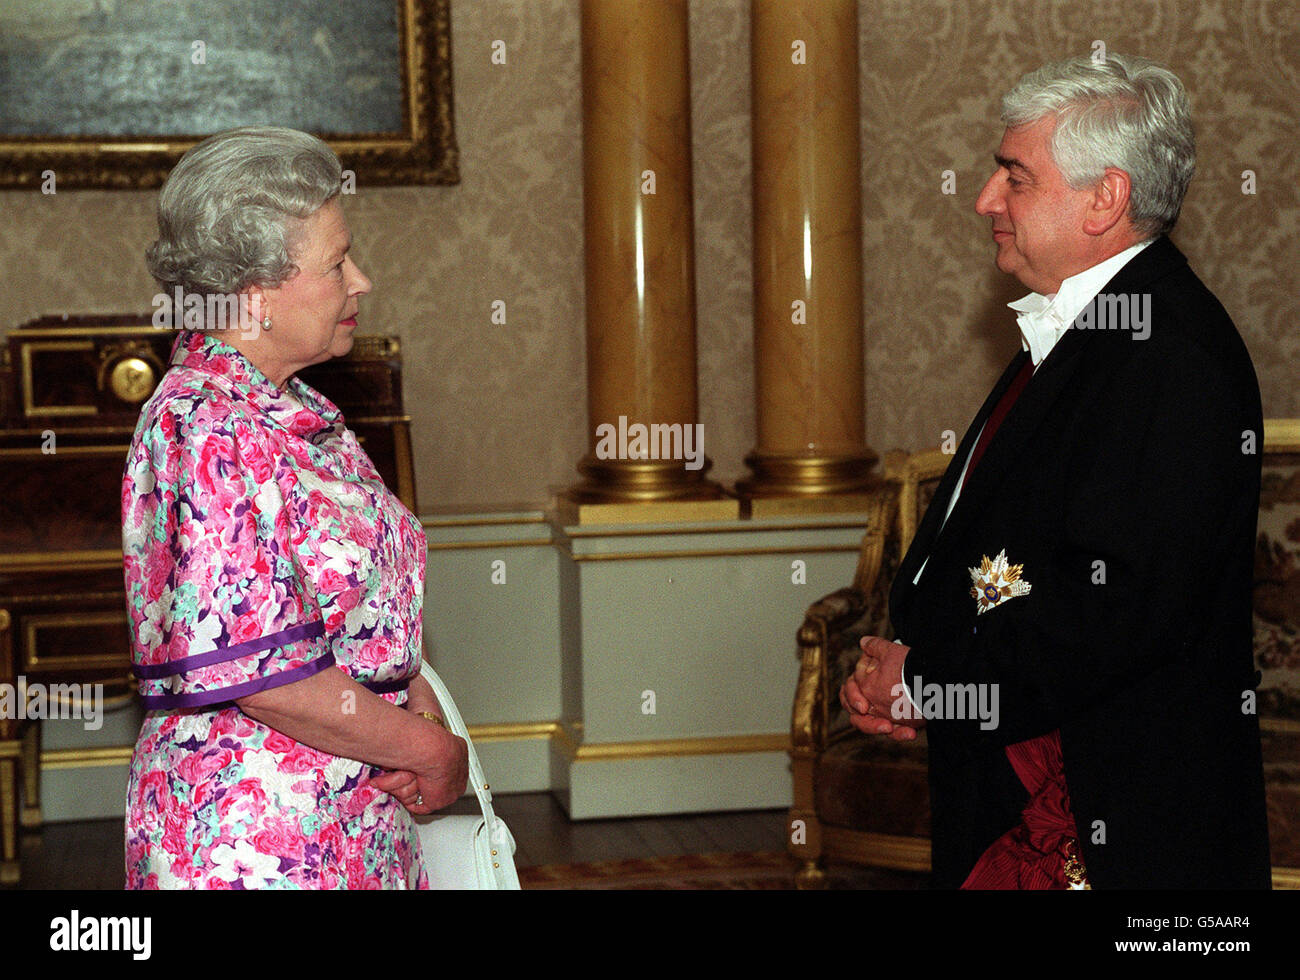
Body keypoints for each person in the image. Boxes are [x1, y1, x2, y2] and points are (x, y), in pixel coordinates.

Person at [840, 54, 1271, 888]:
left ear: (1105, 199)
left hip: (1117, 827)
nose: (984, 200)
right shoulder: (1089, 331)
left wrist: (928, 686)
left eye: (1015, 177)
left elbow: (1117, 613)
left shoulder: (1172, 357)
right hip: (1021, 790)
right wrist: (909, 667)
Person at [122, 126, 468, 888]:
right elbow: (267, 672)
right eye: (337, 262)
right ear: (256, 295)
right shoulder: (202, 427)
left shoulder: (297, 413)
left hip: (349, 821)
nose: (362, 280)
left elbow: (363, 615)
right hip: (257, 842)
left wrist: (413, 709)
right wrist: (430, 752)